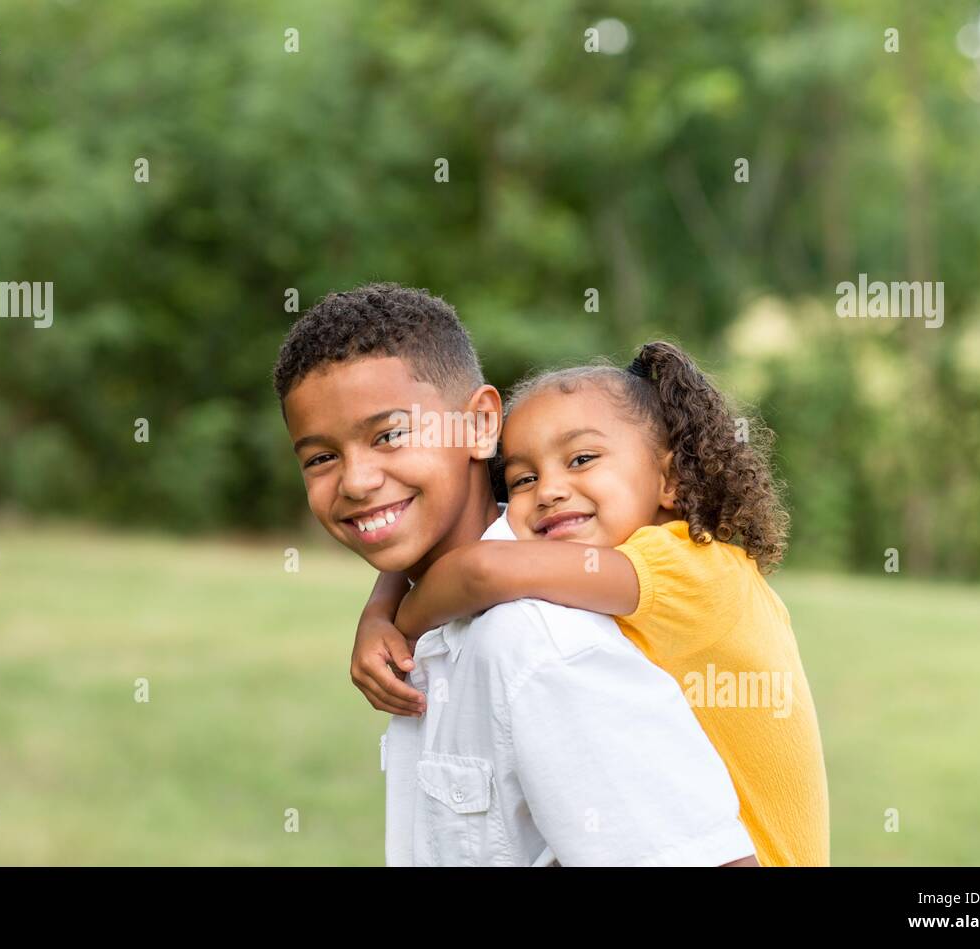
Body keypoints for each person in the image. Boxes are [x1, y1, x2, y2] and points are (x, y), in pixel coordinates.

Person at [274, 283, 757, 865]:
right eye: (321, 458)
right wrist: (384, 611)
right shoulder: (462, 616)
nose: (355, 480)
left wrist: (393, 619)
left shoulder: (537, 640)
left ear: (481, 426)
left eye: (390, 435)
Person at [386, 343, 830, 866]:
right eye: (523, 478)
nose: (549, 491)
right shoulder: (634, 570)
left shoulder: (691, 566)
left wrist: (399, 629)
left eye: (582, 459)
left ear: (671, 480)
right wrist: (384, 595)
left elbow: (479, 568)